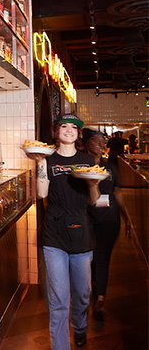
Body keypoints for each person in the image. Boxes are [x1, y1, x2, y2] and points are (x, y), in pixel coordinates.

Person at [25, 114, 100, 350]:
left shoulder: (88, 160)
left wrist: (93, 185)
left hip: (80, 230)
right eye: (64, 126)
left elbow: (93, 201)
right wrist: (39, 161)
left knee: (83, 293)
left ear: (79, 134)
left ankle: (79, 326)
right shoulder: (47, 158)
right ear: (56, 132)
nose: (69, 130)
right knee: (58, 298)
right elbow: (41, 194)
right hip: (54, 232)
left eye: (73, 128)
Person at [82, 129, 133, 320]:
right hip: (86, 219)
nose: (101, 144)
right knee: (88, 259)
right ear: (86, 143)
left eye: (102, 142)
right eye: (95, 141)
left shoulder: (110, 166)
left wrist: (127, 217)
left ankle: (100, 298)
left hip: (109, 219)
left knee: (102, 258)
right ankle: (89, 292)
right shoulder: (80, 166)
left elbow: (117, 192)